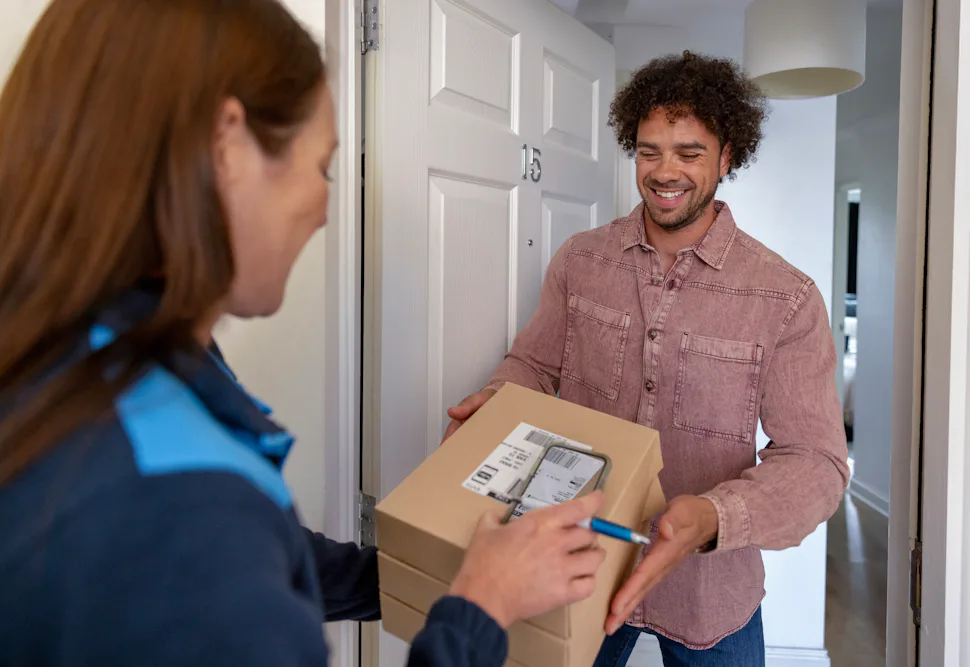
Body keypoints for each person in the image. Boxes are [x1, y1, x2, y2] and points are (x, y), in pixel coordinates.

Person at [0, 1, 607, 666]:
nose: (324, 209)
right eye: (322, 166)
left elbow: (263, 558)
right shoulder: (181, 504)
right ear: (225, 146)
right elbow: (215, 548)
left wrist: (434, 573)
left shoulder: (82, 352)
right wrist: (480, 611)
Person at [444, 52, 851, 667]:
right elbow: (534, 364)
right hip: (581, 566)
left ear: (726, 156)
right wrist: (498, 398)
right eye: (649, 151)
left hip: (710, 592)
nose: (665, 172)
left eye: (689, 153)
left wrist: (712, 516)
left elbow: (817, 462)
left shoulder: (784, 299)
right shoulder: (582, 261)